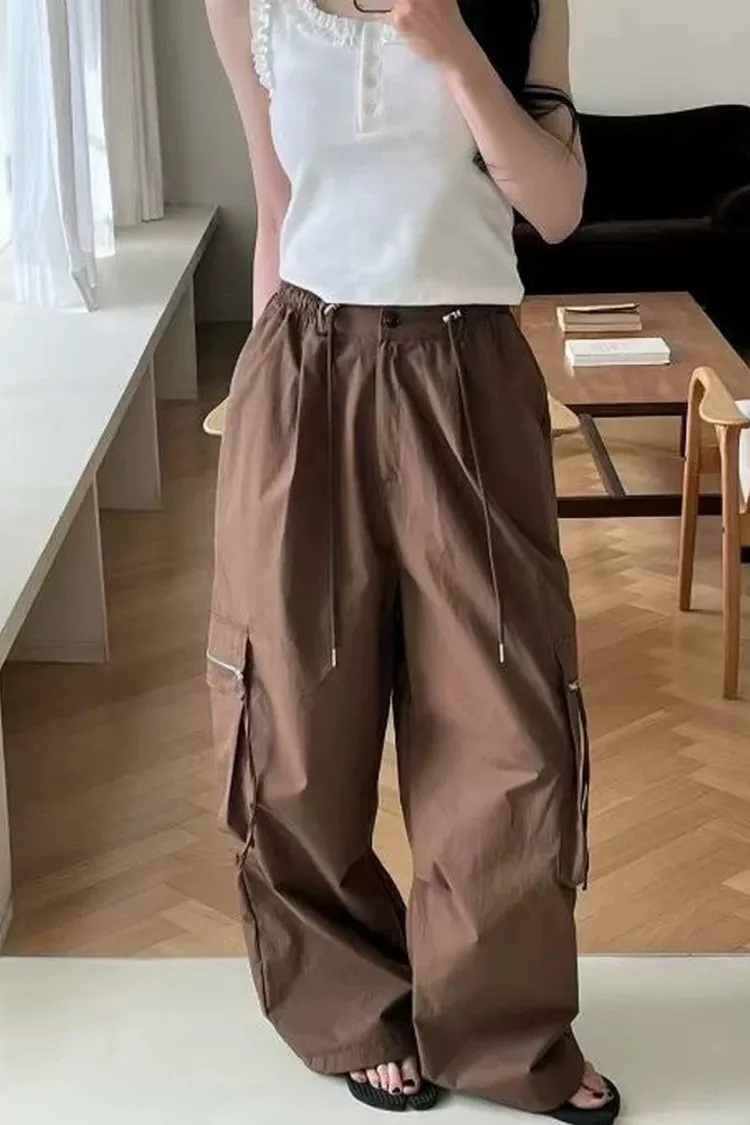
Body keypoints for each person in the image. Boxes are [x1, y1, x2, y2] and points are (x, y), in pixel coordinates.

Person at [204, 0, 620, 1120]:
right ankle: (353, 1003)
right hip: (305, 367)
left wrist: (451, 44)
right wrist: (253, 418)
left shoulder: (521, 2)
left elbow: (557, 208)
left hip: (466, 367)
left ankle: (505, 1026)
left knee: (508, 718)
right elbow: (277, 204)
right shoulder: (246, 3)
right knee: (293, 715)